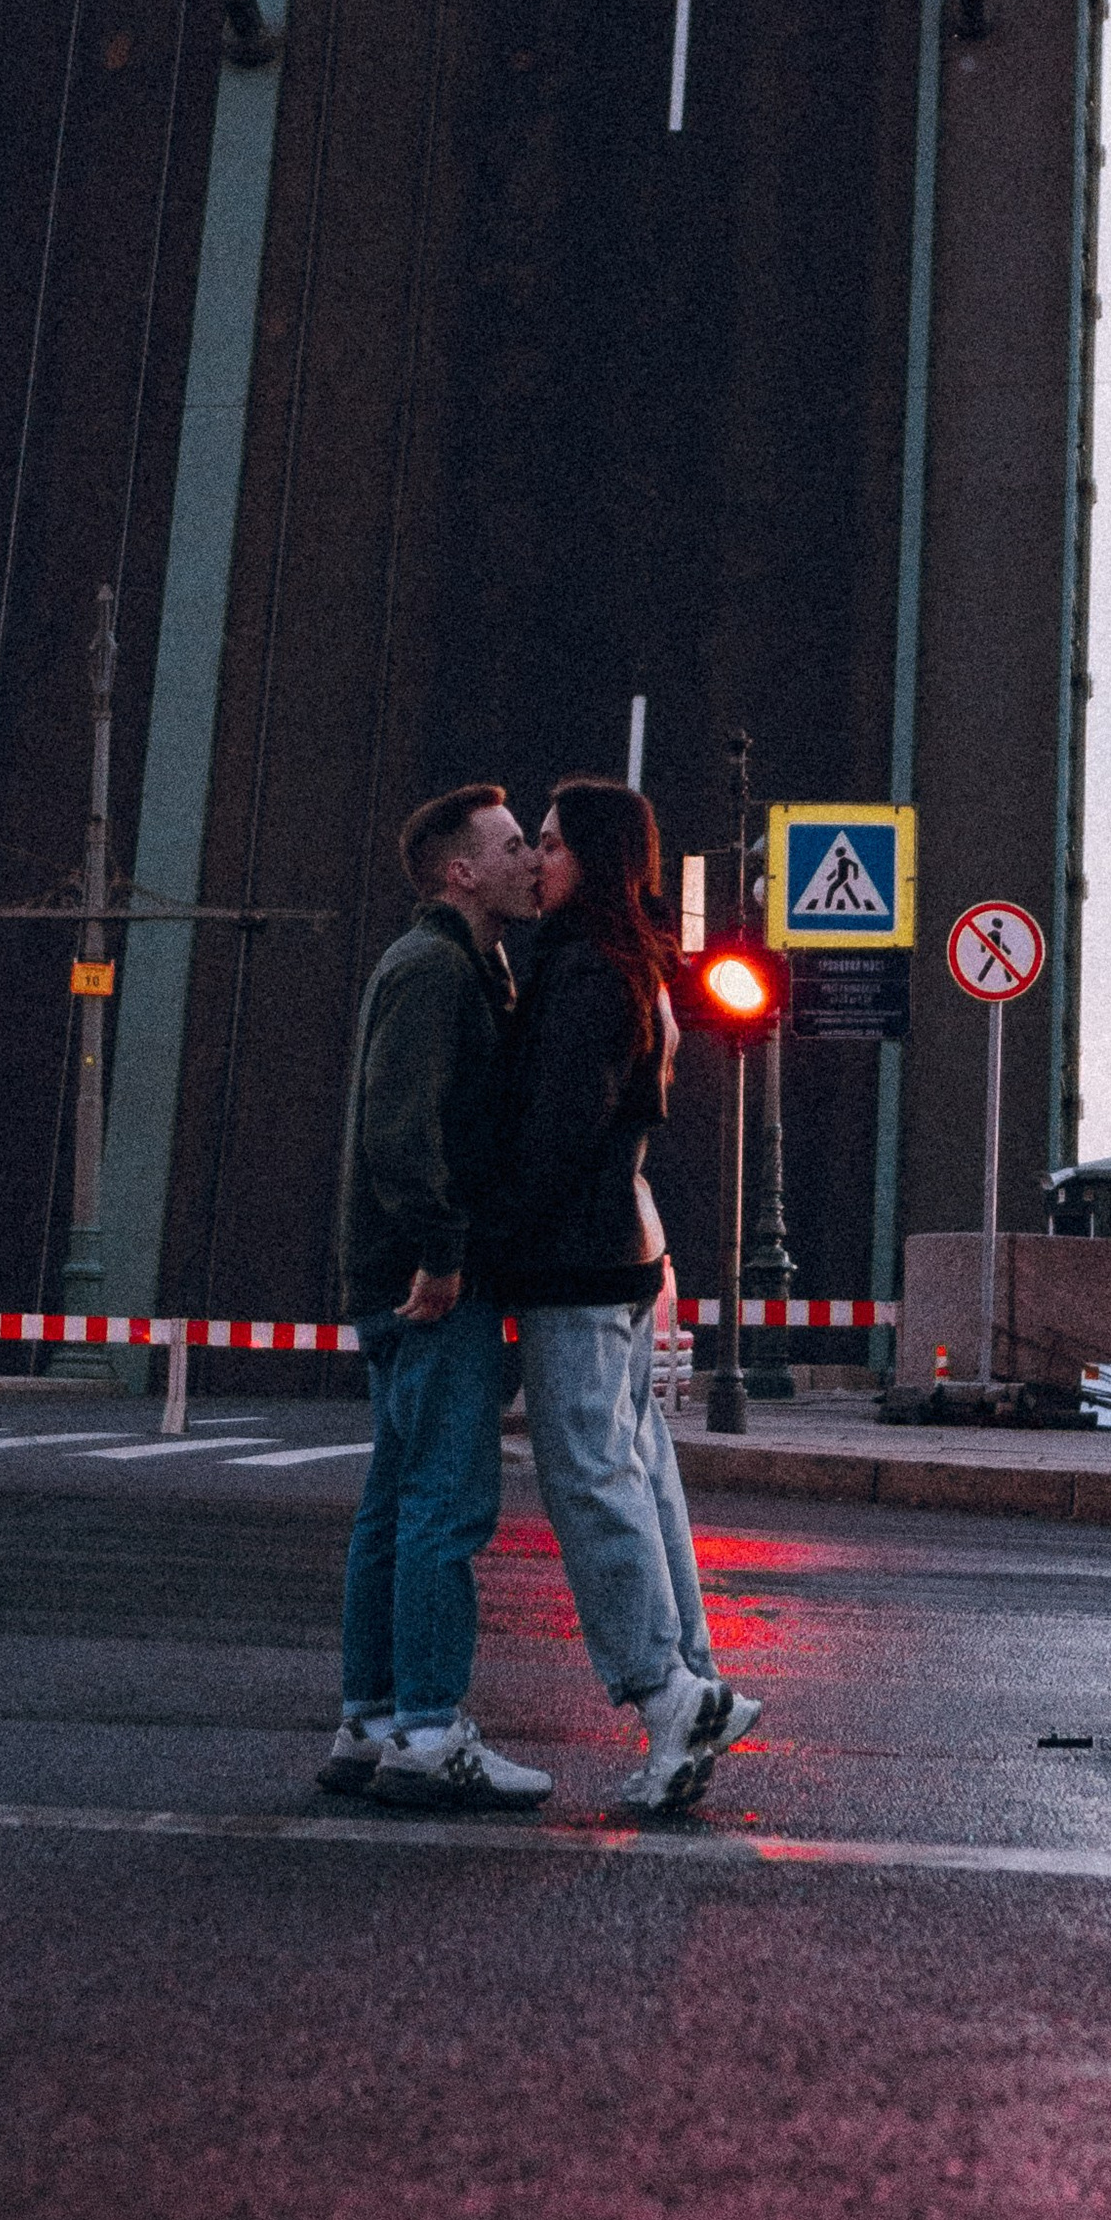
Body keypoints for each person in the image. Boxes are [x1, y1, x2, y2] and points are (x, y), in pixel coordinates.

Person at [485, 778, 763, 1816]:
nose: (538, 859)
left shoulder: (583, 972)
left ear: (592, 859)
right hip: (621, 1250)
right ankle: (689, 1686)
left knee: (589, 1477)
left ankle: (665, 1690)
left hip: (580, 1260)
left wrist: (493, 1246)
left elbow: (553, 1135)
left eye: (551, 844)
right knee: (639, 1474)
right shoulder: (629, 966)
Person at [328, 783, 552, 1812]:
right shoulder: (432, 969)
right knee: (444, 1508)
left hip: (398, 1275)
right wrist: (441, 1251)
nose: (529, 861)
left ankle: (370, 1723)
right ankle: (428, 1731)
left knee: (393, 1505)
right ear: (461, 872)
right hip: (425, 1284)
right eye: (512, 848)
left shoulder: (462, 963)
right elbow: (396, 1126)